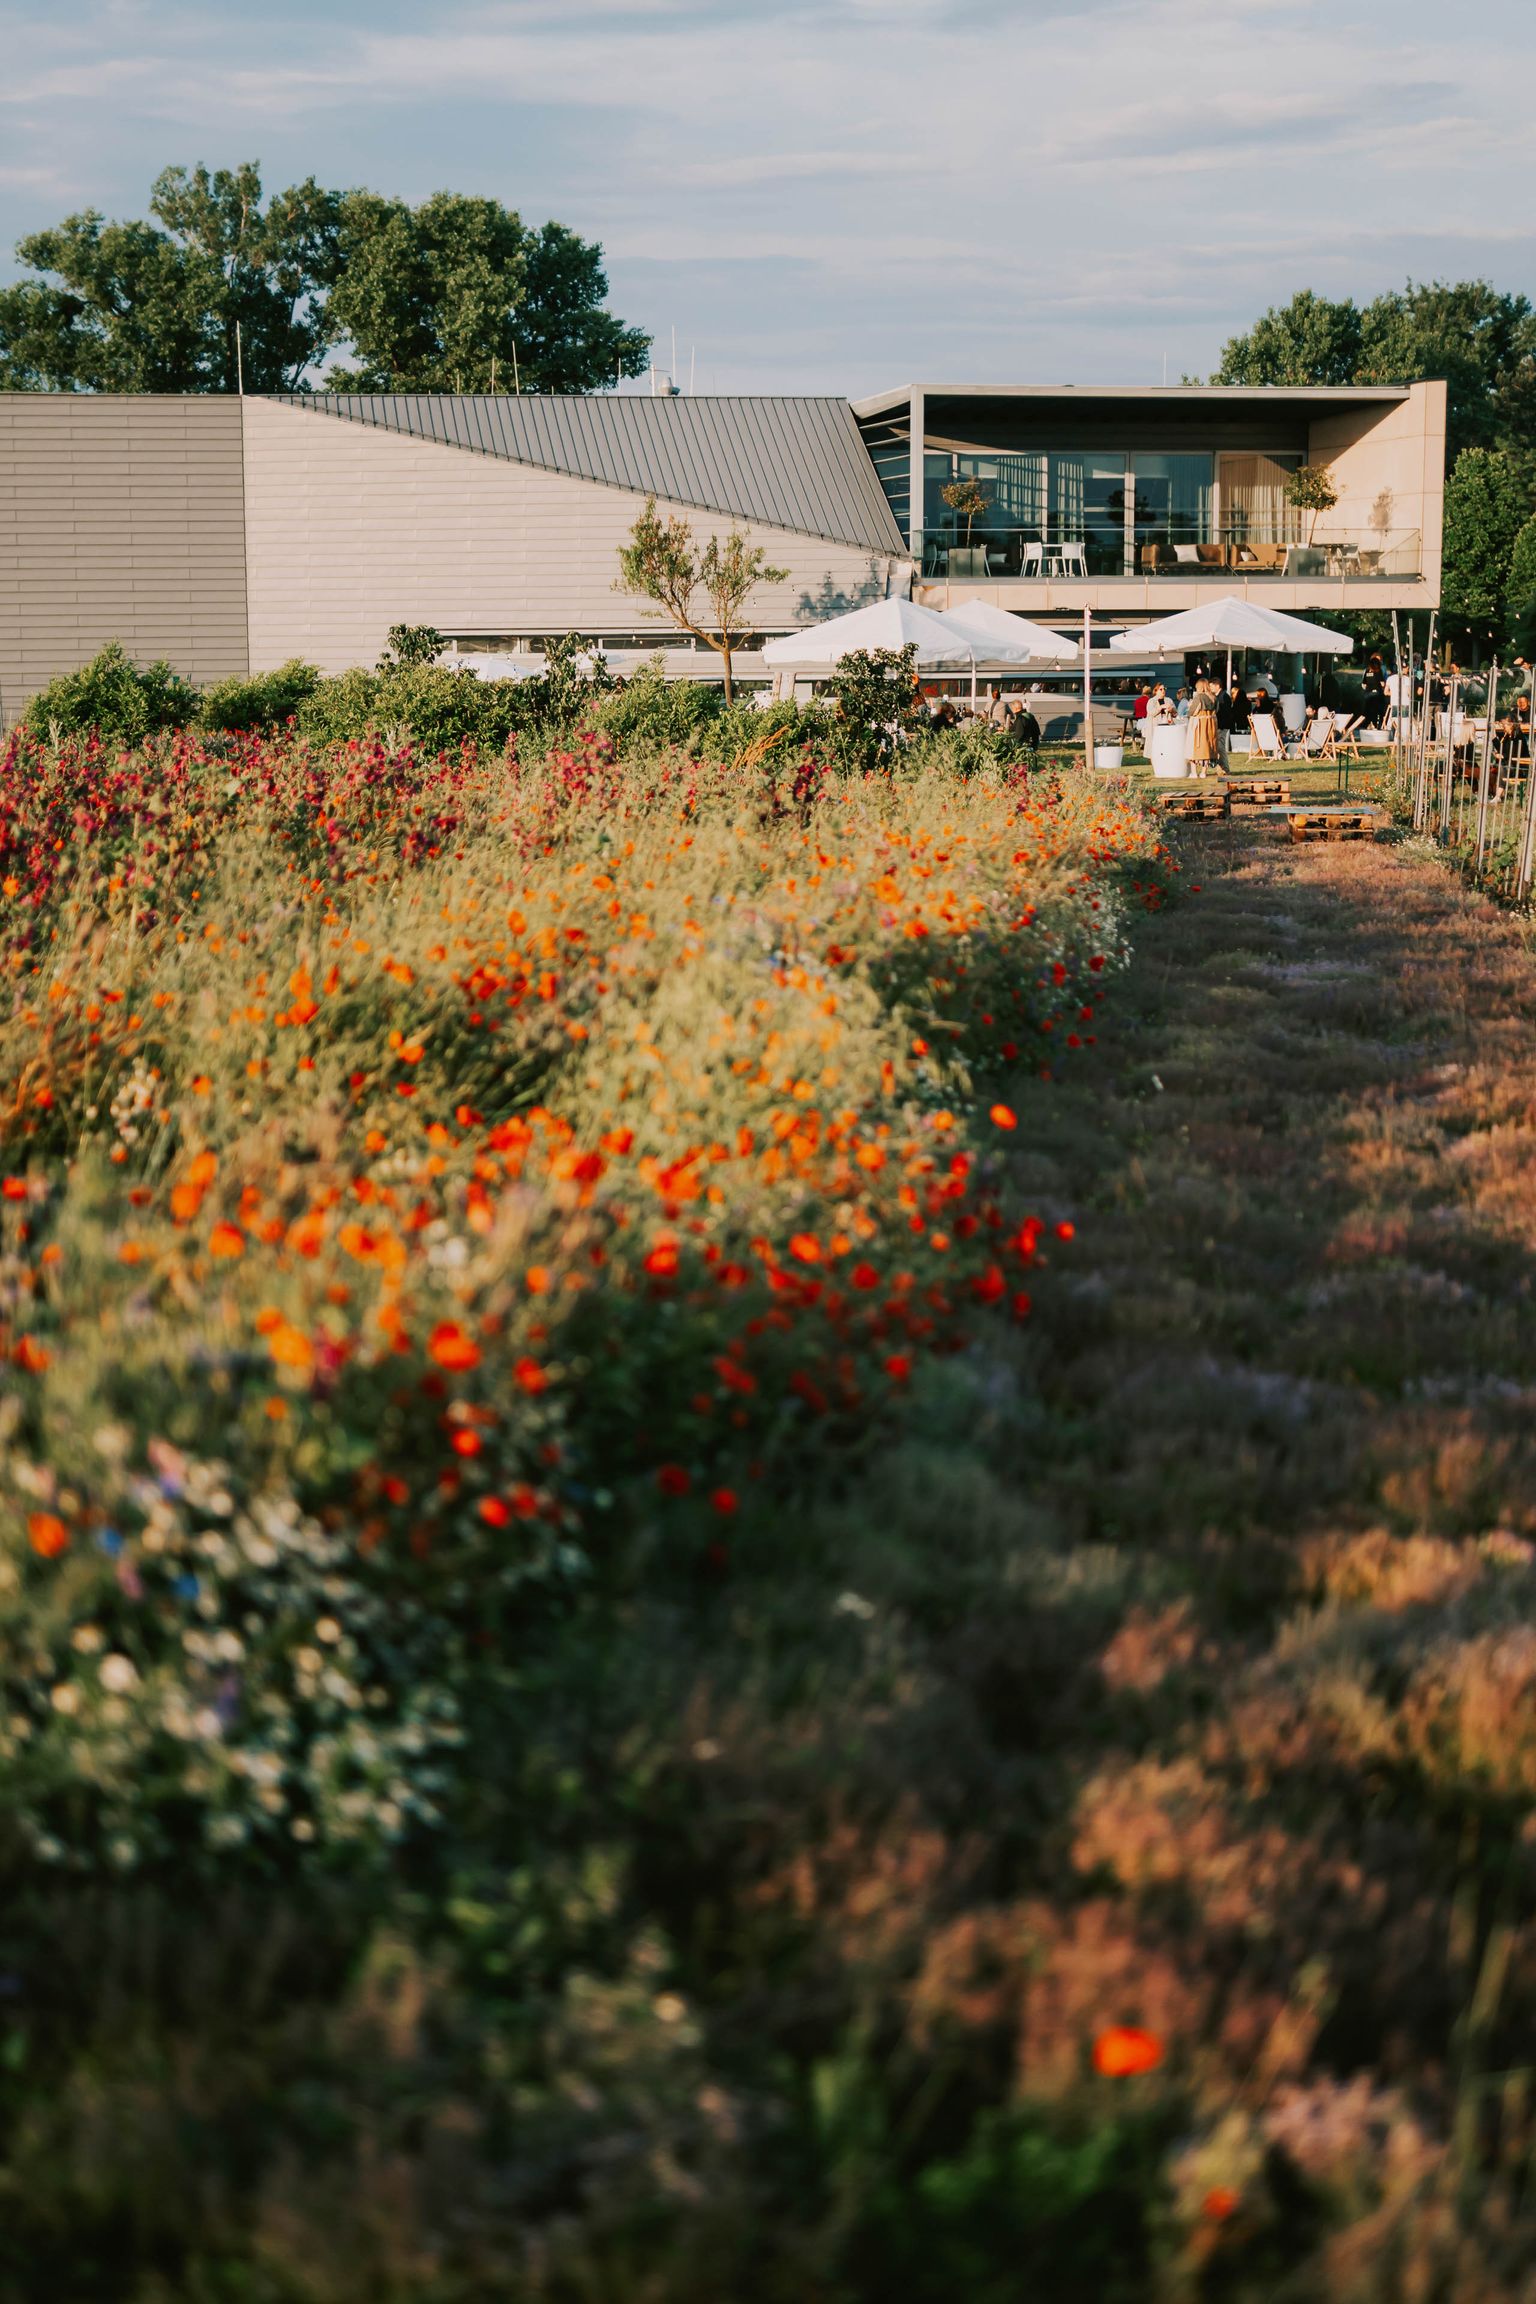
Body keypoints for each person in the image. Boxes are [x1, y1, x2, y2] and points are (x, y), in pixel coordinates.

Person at [1187, 674, 1220, 776]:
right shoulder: (1214, 698)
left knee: (1194, 747)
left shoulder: (1199, 697)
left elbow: (1192, 712)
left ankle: (1194, 773)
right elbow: (1217, 710)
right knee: (1207, 748)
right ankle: (1203, 772)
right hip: (1211, 725)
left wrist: (1190, 706)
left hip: (1199, 725)